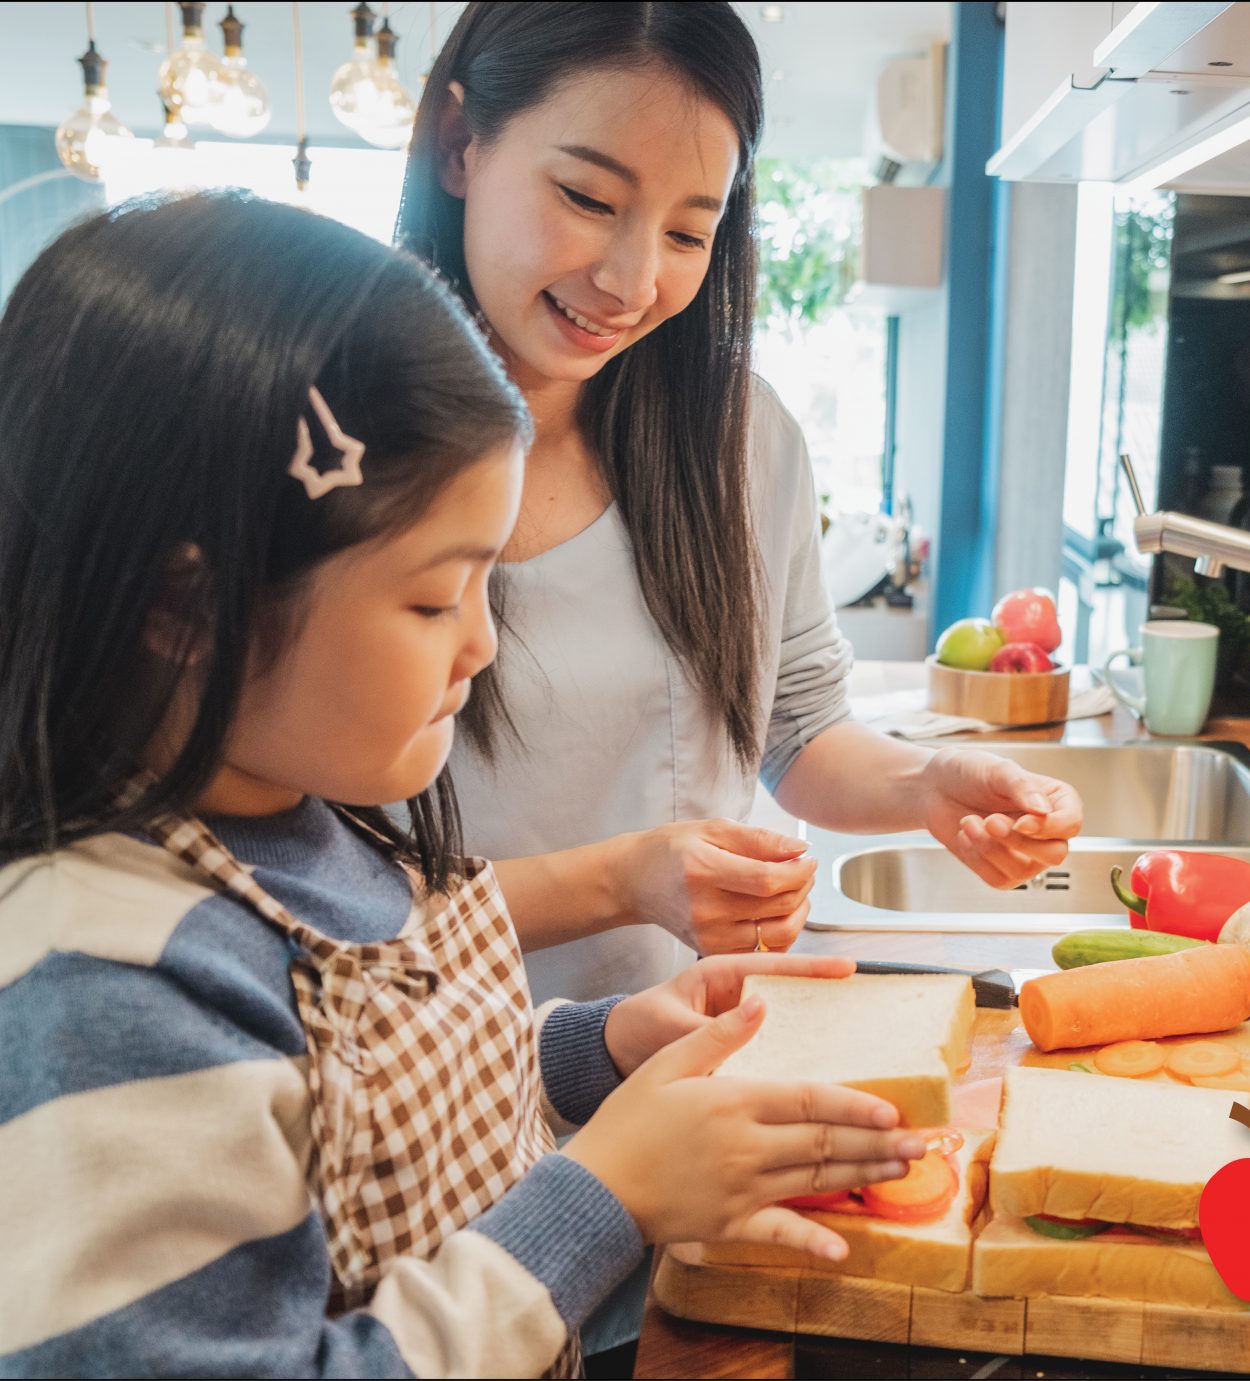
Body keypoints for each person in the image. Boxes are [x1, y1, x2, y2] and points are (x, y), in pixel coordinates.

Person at [0, 192, 923, 1378]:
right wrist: (603, 1198)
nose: (481, 644)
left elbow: (361, 1109)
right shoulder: (88, 1002)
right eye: (435, 597)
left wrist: (598, 1049)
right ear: (186, 607)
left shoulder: (288, 826)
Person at [396, 1, 1086, 1010]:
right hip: (437, 1071)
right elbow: (304, 894)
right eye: (588, 197)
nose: (630, 281)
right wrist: (620, 881)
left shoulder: (739, 439)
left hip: (698, 1049)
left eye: (687, 231)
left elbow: (795, 727)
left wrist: (923, 788)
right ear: (459, 144)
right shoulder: (338, 447)